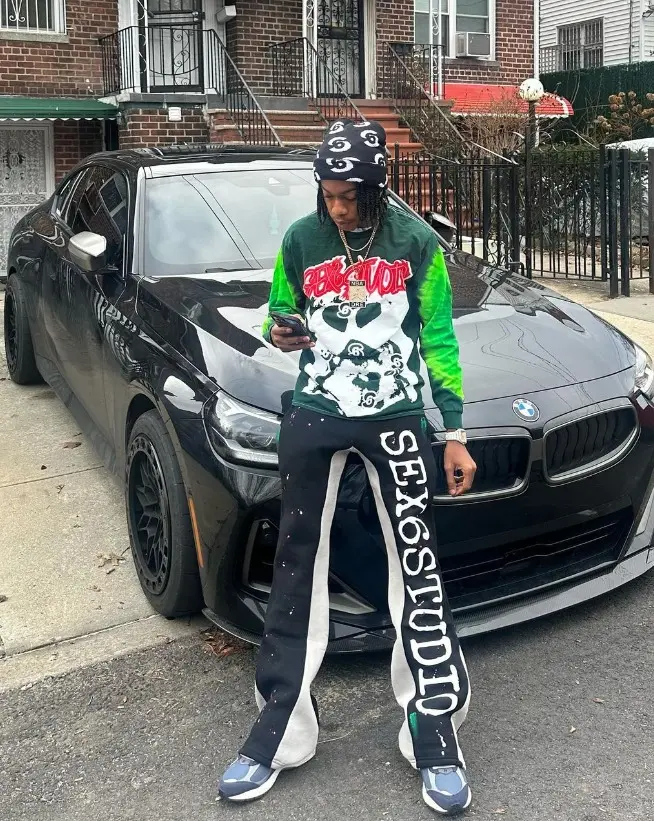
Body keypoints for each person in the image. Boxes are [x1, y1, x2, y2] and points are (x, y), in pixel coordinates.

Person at [219, 120, 477, 816]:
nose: (336, 207)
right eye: (327, 195)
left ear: (376, 187)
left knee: (415, 562)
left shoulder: (415, 243)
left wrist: (454, 431)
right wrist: (281, 327)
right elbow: (279, 306)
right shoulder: (301, 240)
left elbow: (440, 338)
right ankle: (279, 728)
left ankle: (432, 722)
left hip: (396, 415)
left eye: (348, 196)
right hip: (314, 412)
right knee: (296, 560)